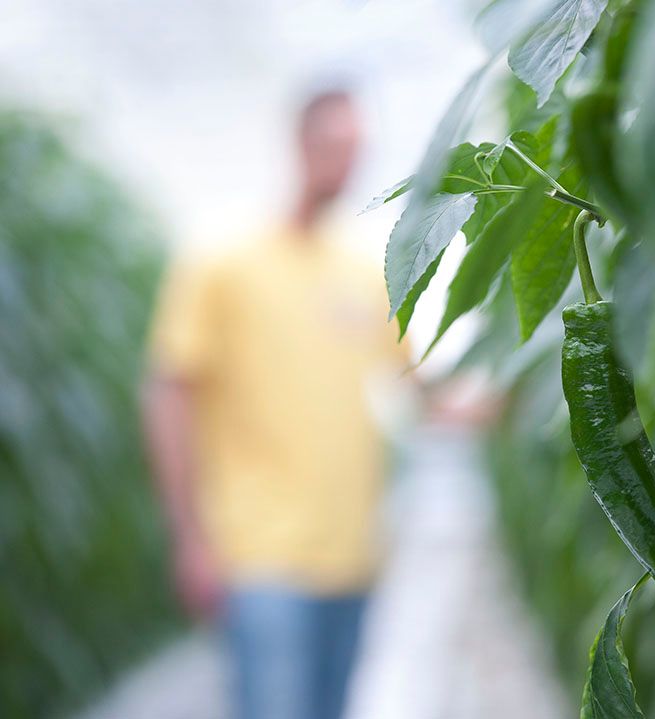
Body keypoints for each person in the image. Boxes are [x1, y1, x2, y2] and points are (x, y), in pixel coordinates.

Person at [142, 88, 408, 719]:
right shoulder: (223, 261)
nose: (345, 164)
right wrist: (189, 538)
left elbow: (422, 387)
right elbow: (166, 393)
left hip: (353, 557)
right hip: (260, 558)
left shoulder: (364, 272)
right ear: (299, 142)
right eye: (334, 146)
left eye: (355, 151)